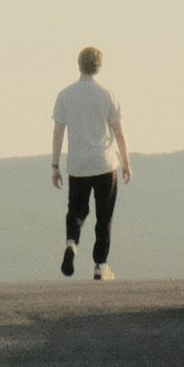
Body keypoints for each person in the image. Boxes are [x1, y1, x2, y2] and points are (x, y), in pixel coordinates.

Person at [51, 46, 132, 279]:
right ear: (99, 67)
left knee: (76, 211)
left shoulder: (65, 95)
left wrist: (55, 165)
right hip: (105, 164)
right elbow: (119, 133)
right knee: (104, 215)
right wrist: (126, 163)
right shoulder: (107, 95)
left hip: (77, 165)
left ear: (79, 65)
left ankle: (72, 243)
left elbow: (58, 133)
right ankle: (100, 264)